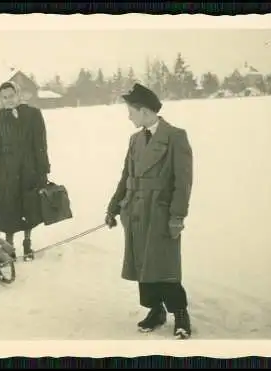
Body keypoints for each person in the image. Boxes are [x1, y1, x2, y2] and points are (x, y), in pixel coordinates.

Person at [105, 83, 194, 340]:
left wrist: (177, 216)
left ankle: (180, 313)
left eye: (131, 111)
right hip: (134, 209)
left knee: (164, 265)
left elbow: (183, 182)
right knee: (143, 264)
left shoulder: (176, 136)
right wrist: (114, 206)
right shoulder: (134, 140)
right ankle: (156, 310)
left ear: (144, 111)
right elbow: (126, 177)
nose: (129, 116)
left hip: (160, 212)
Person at [0, 81, 51, 262]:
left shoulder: (33, 114)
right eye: (4, 97)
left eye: (11, 95)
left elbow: (41, 145)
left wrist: (43, 171)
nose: (8, 100)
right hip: (7, 171)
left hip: (28, 169)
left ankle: (27, 242)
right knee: (8, 208)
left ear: (19, 94)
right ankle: (9, 246)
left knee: (28, 206)